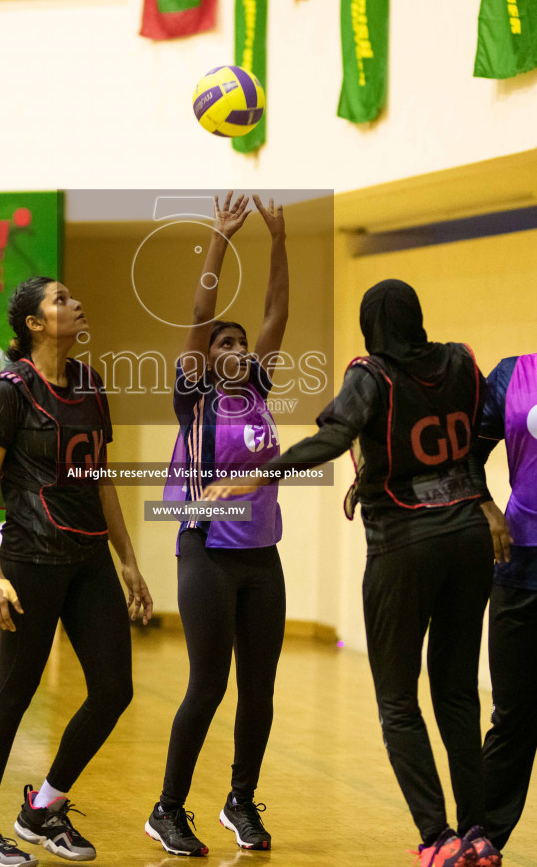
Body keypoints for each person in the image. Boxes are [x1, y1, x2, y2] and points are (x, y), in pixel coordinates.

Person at [205, 279, 510, 867]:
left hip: (404, 545)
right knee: (456, 695)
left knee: (397, 701)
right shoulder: (461, 361)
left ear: (373, 325)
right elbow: (463, 446)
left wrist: (260, 474)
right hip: (469, 538)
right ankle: (478, 837)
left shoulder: (370, 374)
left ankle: (437, 838)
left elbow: (334, 436)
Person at [0, 276, 152, 867]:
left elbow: (102, 478)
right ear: (34, 325)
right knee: (14, 692)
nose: (75, 303)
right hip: (30, 562)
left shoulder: (90, 382)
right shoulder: (9, 390)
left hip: (89, 560)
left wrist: (128, 560)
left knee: (115, 690)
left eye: (72, 296)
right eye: (60, 300)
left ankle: (42, 809)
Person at [145, 192, 288, 857]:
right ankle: (167, 809)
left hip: (262, 554)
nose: (233, 347)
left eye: (239, 342)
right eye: (222, 343)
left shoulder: (256, 389)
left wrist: (278, 238)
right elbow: (201, 314)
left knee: (258, 690)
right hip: (204, 548)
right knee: (208, 684)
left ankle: (240, 802)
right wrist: (221, 236)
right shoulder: (193, 394)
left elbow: (275, 311)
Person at [469, 353, 537, 852]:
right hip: (519, 563)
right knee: (513, 714)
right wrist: (487, 504)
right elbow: (464, 451)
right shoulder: (513, 374)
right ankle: (482, 842)